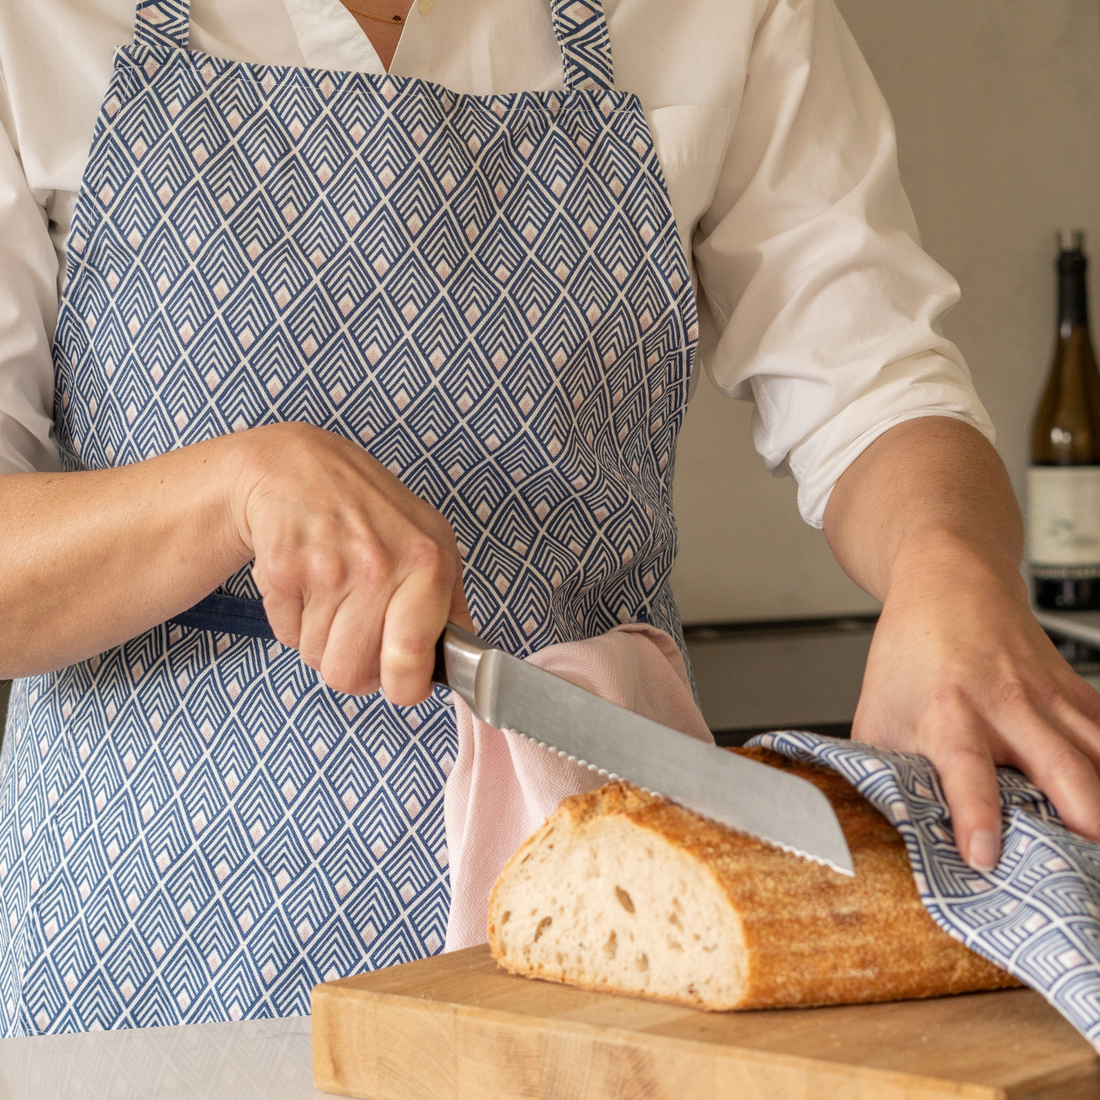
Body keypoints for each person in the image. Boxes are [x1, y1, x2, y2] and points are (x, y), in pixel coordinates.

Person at [0, 0, 1097, 1035]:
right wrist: (234, 487)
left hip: (610, 949)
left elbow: (876, 390)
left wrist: (947, 566)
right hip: (145, 959)